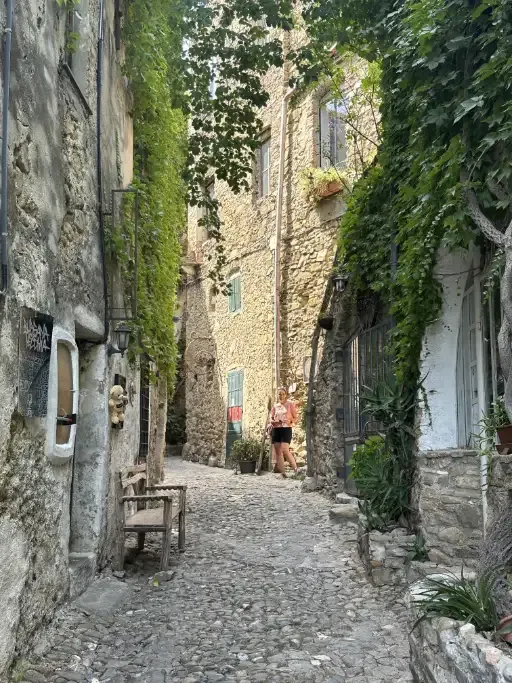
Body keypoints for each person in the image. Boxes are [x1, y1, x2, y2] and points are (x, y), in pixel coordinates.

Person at [270, 387, 298, 477]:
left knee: (285, 450)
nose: (281, 396)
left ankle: (296, 470)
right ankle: (283, 473)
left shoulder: (290, 404)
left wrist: (290, 421)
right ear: (277, 395)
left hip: (286, 429)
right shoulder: (275, 406)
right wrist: (274, 421)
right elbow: (271, 418)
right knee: (278, 451)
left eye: (283, 394)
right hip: (276, 429)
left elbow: (295, 417)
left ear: (285, 395)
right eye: (279, 394)